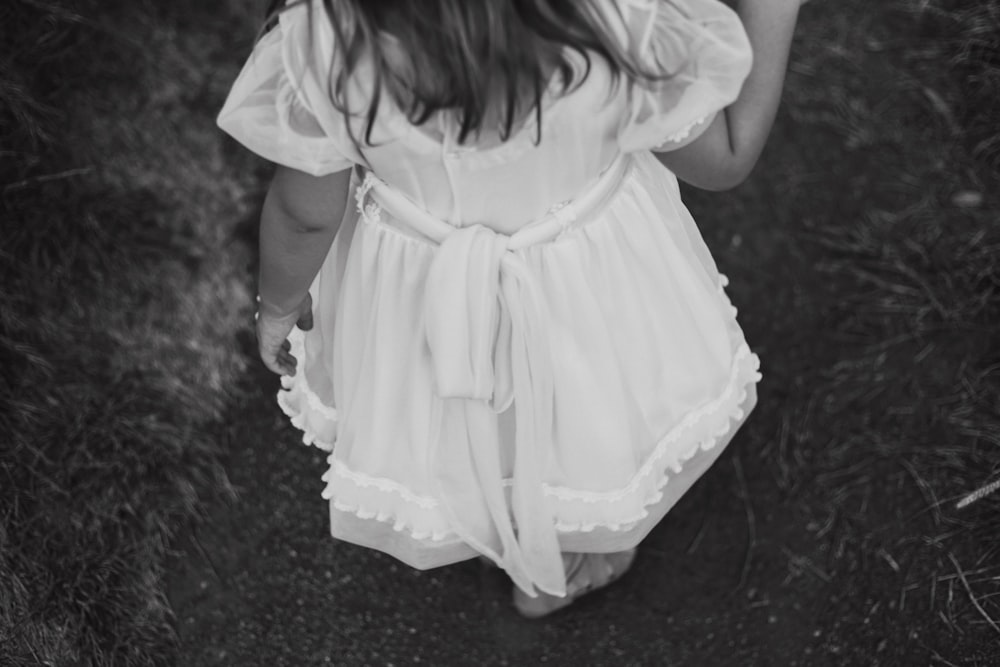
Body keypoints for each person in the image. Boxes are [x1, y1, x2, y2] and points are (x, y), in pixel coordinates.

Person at [218, 0, 805, 618]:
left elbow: (305, 215)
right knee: (579, 414)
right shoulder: (614, 21)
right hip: (582, 283)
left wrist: (279, 304)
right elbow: (728, 155)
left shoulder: (326, 37)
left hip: (419, 295)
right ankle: (559, 560)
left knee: (465, 420)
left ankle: (503, 535)